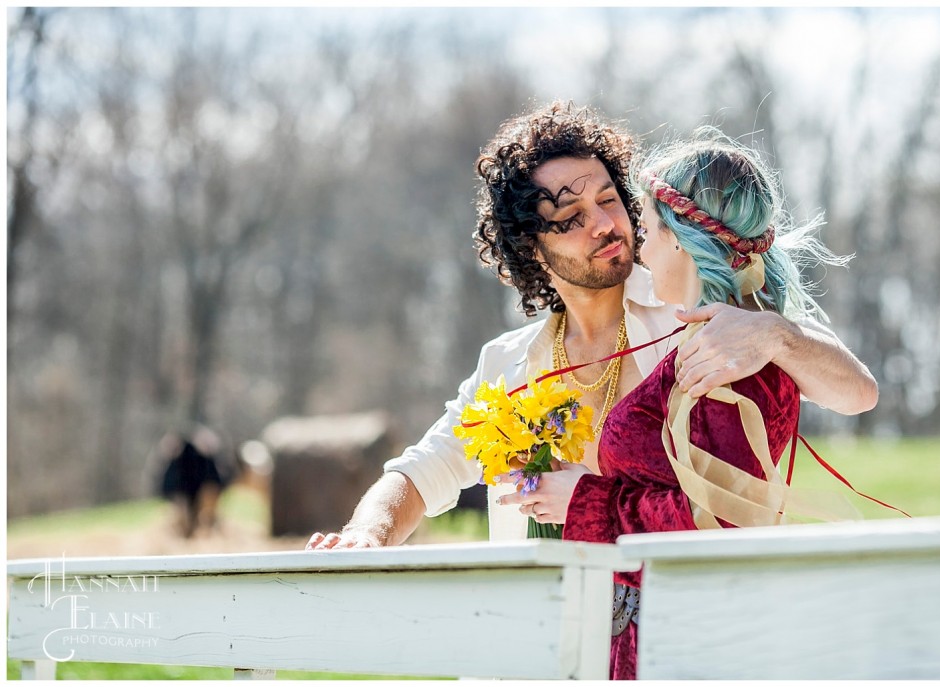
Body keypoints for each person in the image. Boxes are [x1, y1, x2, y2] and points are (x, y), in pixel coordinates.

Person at [305, 101, 877, 551]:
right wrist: (366, 533)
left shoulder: (695, 306)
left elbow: (856, 393)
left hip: (677, 636)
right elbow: (422, 472)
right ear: (532, 248)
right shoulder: (507, 364)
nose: (606, 224)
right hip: (546, 646)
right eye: (572, 219)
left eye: (609, 199)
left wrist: (777, 334)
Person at [496, 126, 857, 679]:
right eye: (569, 218)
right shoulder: (704, 340)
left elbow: (719, 525)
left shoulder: (732, 353)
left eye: (652, 228)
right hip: (655, 632)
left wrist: (584, 504)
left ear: (684, 242)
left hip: (697, 643)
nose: (641, 245)